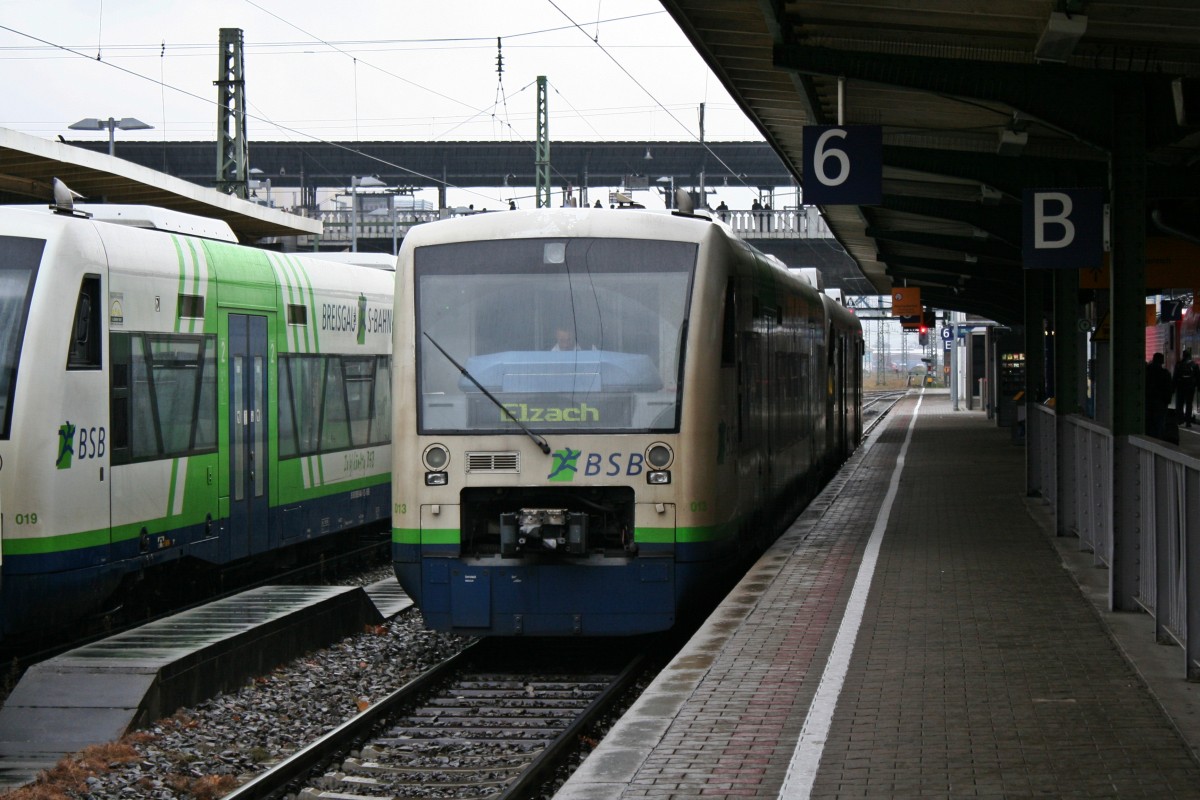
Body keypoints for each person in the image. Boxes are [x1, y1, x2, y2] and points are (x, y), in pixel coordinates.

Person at [1146, 352, 1174, 439]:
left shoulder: (1146, 371)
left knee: (1148, 424)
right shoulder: (1165, 373)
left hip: (1147, 402)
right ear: (1162, 362)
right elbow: (1169, 389)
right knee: (1159, 425)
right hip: (1161, 403)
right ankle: (1157, 441)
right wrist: (1167, 401)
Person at [1174, 349, 1198, 427]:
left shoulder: (1178, 364)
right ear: (1190, 356)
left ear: (1183, 356)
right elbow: (1198, 377)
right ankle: (1188, 421)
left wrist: (1173, 387)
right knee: (1189, 403)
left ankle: (1180, 420)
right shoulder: (1194, 365)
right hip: (1190, 387)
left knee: (1180, 403)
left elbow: (1175, 376)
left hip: (1181, 387)